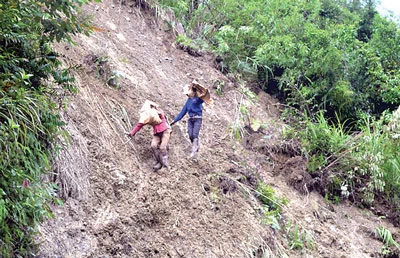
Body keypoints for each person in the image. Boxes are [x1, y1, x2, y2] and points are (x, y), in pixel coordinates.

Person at [127, 101, 172, 171]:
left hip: (165, 131)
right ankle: (159, 162)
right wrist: (131, 133)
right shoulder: (149, 116)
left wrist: (156, 110)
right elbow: (140, 125)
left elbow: (162, 115)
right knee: (153, 145)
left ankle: (165, 165)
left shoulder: (159, 112)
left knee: (162, 147)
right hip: (157, 133)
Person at [171, 82, 210, 161]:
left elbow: (204, 95)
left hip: (197, 119)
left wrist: (198, 87)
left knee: (195, 134)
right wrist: (175, 120)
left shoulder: (198, 99)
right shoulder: (188, 101)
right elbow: (183, 112)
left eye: (188, 93)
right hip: (190, 119)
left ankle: (194, 151)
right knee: (190, 135)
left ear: (192, 91)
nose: (187, 95)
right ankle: (196, 147)